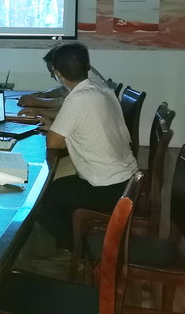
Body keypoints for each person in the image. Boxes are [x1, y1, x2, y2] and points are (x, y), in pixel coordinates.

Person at [35, 42, 137, 254]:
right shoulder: (101, 89)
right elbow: (80, 132)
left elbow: (53, 143)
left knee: (40, 199)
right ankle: (69, 242)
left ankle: (78, 252)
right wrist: (56, 128)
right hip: (127, 179)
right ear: (87, 66)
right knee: (54, 189)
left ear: (57, 73)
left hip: (106, 187)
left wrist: (54, 130)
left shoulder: (77, 99)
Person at [17, 43, 109, 119]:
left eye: (52, 72)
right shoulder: (81, 71)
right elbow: (62, 90)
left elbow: (68, 104)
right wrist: (44, 95)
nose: (52, 76)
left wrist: (37, 102)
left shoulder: (87, 84)